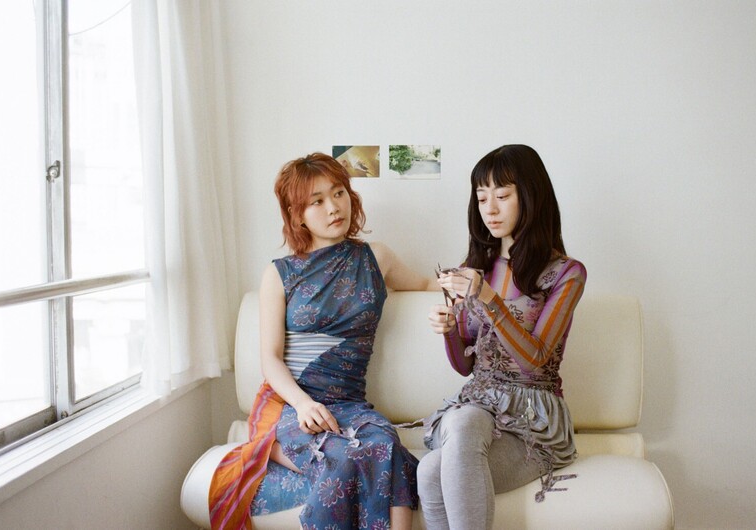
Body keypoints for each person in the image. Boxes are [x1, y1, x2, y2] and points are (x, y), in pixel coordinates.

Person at [209, 153, 434, 530]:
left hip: (350, 403)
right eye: (317, 201)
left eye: (339, 193)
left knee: (385, 445)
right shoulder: (278, 274)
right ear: (297, 214)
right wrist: (302, 404)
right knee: (343, 460)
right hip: (290, 402)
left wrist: (472, 283)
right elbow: (270, 358)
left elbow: (425, 284)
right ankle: (269, 444)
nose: (333, 207)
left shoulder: (376, 257)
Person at [417, 144, 587, 530]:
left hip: (534, 418)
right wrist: (449, 331)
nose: (490, 209)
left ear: (531, 196)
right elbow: (465, 367)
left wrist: (487, 298)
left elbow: (535, 360)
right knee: (438, 455)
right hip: (478, 406)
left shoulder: (567, 273)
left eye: (503, 196)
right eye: (481, 198)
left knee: (436, 462)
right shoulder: (473, 268)